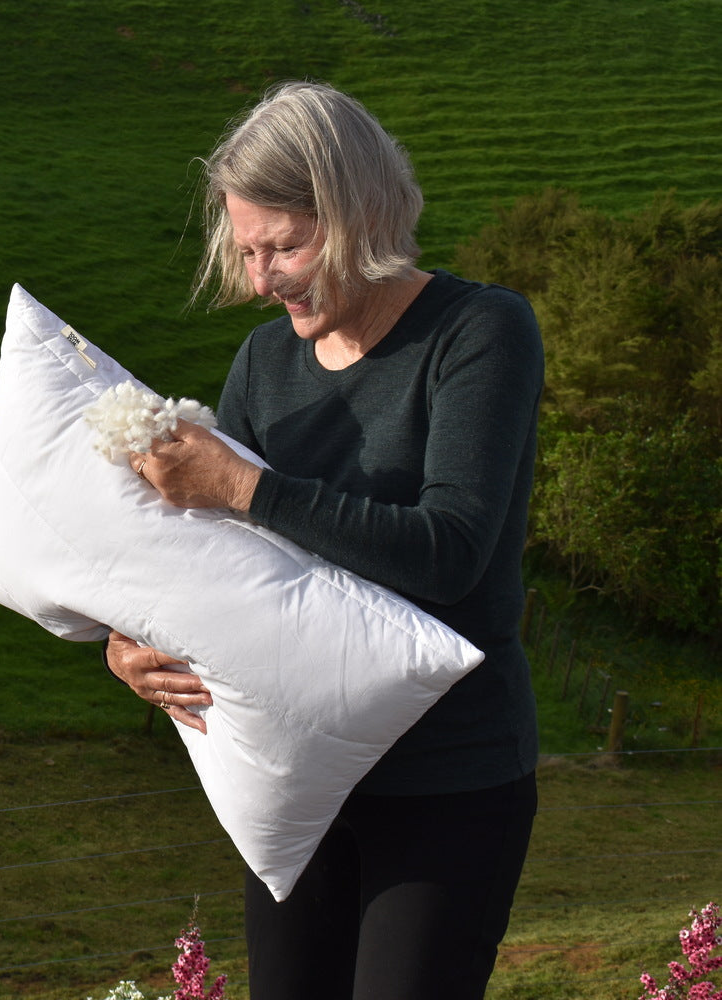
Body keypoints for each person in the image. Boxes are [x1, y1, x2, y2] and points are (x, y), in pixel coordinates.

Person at [102, 80, 543, 999]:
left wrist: (243, 484)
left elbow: (449, 553)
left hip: (448, 780)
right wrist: (134, 640)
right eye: (248, 250)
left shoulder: (479, 332)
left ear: (359, 215)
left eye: (286, 246)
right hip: (296, 781)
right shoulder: (265, 361)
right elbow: (228, 564)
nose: (261, 280)